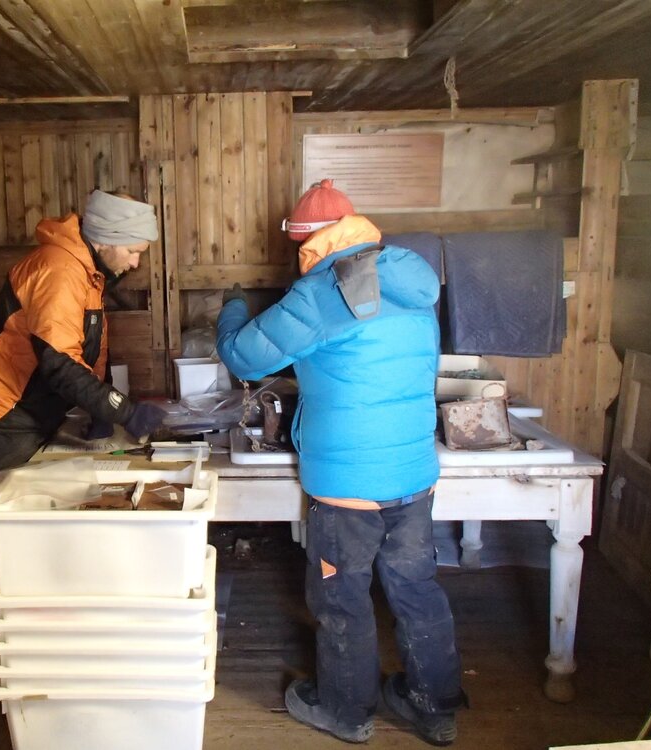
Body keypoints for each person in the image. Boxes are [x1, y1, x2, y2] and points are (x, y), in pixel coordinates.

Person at [215, 179, 465, 746]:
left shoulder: (321, 292)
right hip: (413, 476)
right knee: (417, 589)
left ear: (307, 243)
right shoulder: (409, 276)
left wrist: (232, 308)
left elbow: (245, 357)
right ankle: (435, 707)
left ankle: (346, 712)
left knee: (342, 598)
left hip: (348, 486)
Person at [0, 189, 167, 478]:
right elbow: (60, 363)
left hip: (32, 413)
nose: (135, 263)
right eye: (133, 251)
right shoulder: (59, 270)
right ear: (105, 239)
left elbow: (88, 349)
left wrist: (100, 408)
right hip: (5, 420)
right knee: (15, 517)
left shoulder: (88, 271)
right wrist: (124, 412)